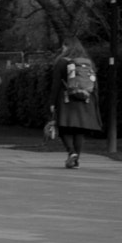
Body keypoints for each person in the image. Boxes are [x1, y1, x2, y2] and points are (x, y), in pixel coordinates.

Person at [47, 38, 103, 168]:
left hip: (66, 100)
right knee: (79, 131)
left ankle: (71, 152)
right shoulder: (88, 63)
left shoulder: (62, 62)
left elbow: (55, 85)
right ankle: (76, 159)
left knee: (63, 128)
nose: (63, 50)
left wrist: (52, 103)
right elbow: (95, 85)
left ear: (67, 47)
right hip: (85, 100)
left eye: (64, 47)